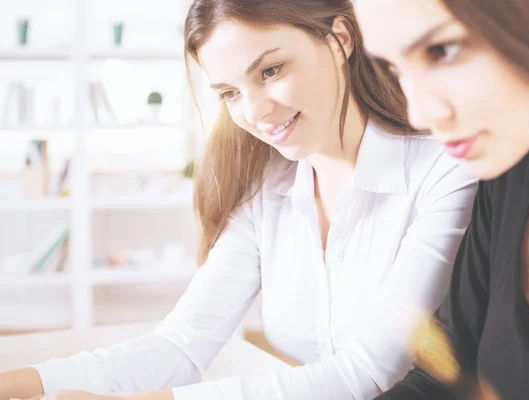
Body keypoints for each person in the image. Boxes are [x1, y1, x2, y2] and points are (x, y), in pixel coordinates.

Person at [0, 1, 477, 400]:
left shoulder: (444, 170)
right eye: (229, 92)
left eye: (270, 71)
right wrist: (17, 384)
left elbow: (368, 375)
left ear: (340, 40)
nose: (254, 112)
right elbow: (181, 346)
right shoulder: (268, 189)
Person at [354, 0, 529, 399]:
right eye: (395, 68)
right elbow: (445, 376)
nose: (419, 113)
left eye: (442, 51)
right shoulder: (510, 175)